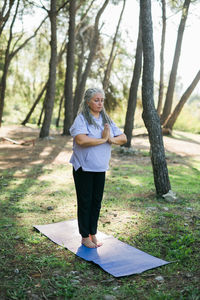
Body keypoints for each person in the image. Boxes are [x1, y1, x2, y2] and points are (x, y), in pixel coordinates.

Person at [69, 87, 127, 248]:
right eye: (96, 100)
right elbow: (81, 140)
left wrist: (110, 139)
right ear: (88, 102)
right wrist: (103, 140)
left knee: (96, 202)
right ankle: (84, 236)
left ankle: (93, 233)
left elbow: (123, 138)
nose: (100, 103)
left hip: (100, 168)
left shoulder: (106, 119)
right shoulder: (81, 119)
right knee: (85, 202)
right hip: (84, 168)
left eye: (102, 100)